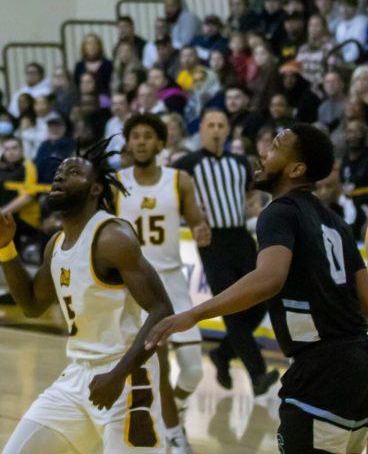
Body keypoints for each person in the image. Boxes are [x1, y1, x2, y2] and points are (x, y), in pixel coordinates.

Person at [149, 124, 368, 453]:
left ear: (296, 169)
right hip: (358, 366)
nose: (263, 153)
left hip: (319, 373)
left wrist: (194, 314)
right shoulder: (335, 222)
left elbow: (269, 278)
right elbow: (365, 297)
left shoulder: (279, 212)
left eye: (276, 146)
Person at [0, 140, 174, 454]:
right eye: (58, 172)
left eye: (72, 172)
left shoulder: (113, 238)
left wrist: (117, 375)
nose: (59, 177)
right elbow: (31, 305)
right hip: (77, 377)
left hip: (124, 376)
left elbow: (161, 310)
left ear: (96, 189)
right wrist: (6, 247)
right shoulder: (56, 244)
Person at [117, 114, 212, 454]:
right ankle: (174, 436)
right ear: (129, 143)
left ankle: (177, 411)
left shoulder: (179, 180)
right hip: (137, 288)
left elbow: (197, 222)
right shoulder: (115, 182)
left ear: (160, 143)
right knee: (159, 364)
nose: (141, 141)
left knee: (193, 372)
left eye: (148, 136)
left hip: (174, 283)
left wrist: (202, 231)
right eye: (135, 136)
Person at [172, 108, 279, 396]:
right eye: (211, 125)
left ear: (228, 129)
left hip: (241, 237)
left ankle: (222, 354)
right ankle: (257, 374)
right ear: (202, 130)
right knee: (230, 306)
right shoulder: (186, 164)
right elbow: (172, 201)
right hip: (211, 241)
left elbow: (249, 200)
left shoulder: (241, 163)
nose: (216, 130)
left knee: (263, 297)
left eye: (221, 125)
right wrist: (191, 218)